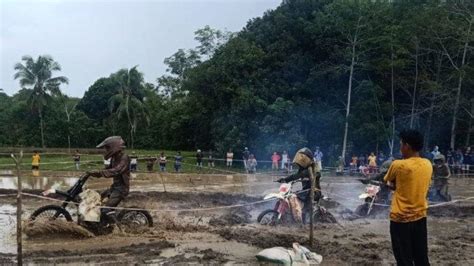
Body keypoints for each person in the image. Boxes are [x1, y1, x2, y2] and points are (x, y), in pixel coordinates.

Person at [384, 129, 432, 266]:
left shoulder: (398, 165)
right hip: (420, 218)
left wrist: (392, 186)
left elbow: (388, 182)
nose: (400, 147)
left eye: (401, 144)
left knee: (404, 260)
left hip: (400, 220)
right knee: (422, 258)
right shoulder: (428, 164)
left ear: (407, 146)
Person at [86, 136, 130, 222]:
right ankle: (95, 222)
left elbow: (117, 170)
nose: (105, 150)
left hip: (121, 189)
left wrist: (100, 173)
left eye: (107, 148)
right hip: (114, 187)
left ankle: (118, 229)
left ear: (114, 146)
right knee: (96, 199)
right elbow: (107, 169)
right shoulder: (114, 158)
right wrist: (94, 172)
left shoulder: (124, 157)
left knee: (106, 209)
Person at [277, 148, 321, 223]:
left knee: (294, 197)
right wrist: (284, 179)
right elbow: (296, 175)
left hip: (313, 192)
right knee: (292, 195)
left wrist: (286, 179)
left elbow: (297, 175)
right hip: (305, 191)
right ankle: (296, 217)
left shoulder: (312, 168)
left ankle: (299, 219)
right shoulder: (304, 168)